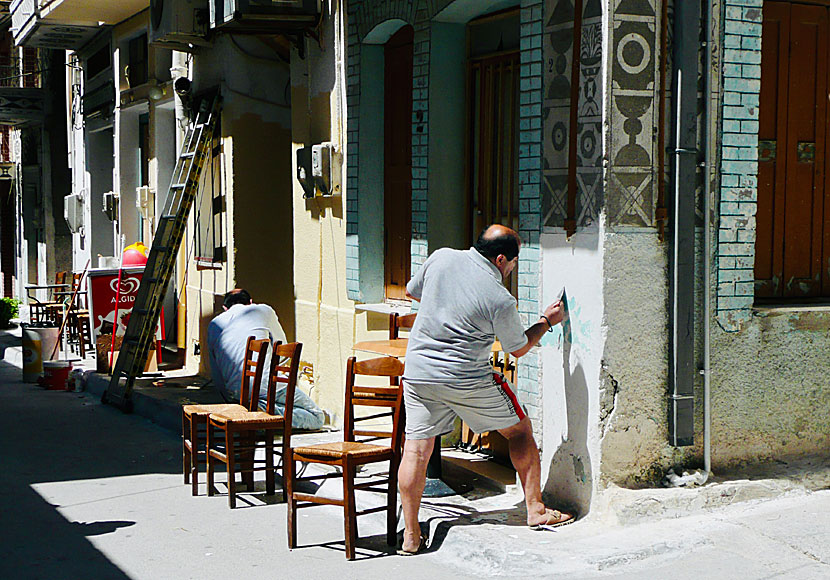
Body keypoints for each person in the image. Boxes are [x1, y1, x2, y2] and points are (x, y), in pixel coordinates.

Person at [397, 224, 574, 555]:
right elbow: (517, 348)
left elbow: (412, 291)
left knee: (416, 451)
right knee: (520, 430)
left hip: (419, 372)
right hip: (466, 377)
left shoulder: (441, 258)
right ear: (501, 259)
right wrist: (547, 321)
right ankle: (535, 510)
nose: (512, 270)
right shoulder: (499, 297)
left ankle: (410, 534)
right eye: (513, 264)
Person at [207, 288, 324, 430]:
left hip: (235, 391)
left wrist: (228, 399)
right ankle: (264, 411)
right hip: (266, 385)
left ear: (225, 308)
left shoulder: (214, 324)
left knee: (267, 396)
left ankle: (257, 410)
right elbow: (281, 347)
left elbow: (215, 371)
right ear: (250, 302)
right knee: (317, 417)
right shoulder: (262, 310)